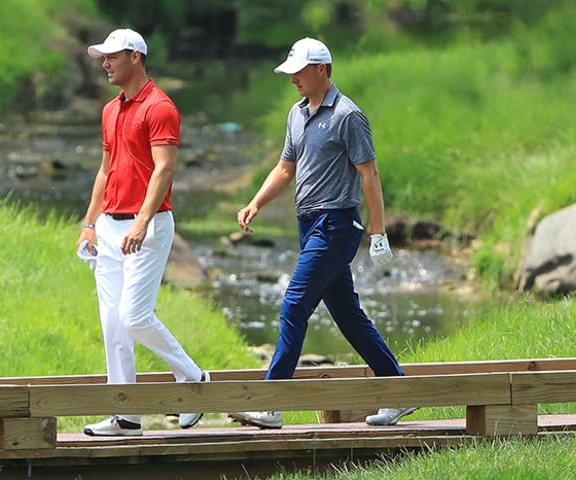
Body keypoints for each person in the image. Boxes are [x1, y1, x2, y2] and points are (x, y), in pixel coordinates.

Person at [229, 37, 417, 429]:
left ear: (322, 70)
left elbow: (370, 173)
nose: (293, 78)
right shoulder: (296, 115)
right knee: (348, 316)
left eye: (300, 71)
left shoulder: (348, 116)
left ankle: (271, 404)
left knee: (295, 304)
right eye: (290, 72)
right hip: (308, 224)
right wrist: (255, 203)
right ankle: (399, 393)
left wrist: (377, 231)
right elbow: (285, 169)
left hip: (336, 225)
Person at [77, 28, 209, 436]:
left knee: (134, 318)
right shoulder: (109, 110)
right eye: (103, 57)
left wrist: (142, 221)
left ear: (135, 57)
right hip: (109, 227)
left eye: (112, 56)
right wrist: (88, 224)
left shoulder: (160, 107)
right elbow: (105, 170)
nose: (105, 63)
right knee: (112, 326)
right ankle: (125, 414)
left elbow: (164, 169)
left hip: (146, 227)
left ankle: (193, 378)